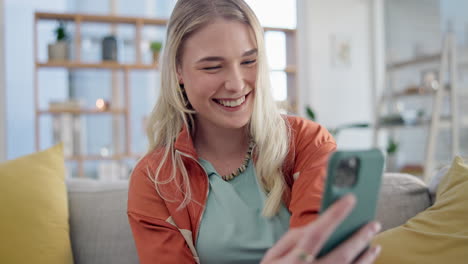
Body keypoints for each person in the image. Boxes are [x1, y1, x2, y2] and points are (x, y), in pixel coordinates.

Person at [127, 0, 382, 263]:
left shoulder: (308, 142)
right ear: (177, 70)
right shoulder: (155, 179)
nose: (237, 84)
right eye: (212, 66)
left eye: (249, 61)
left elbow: (317, 247)